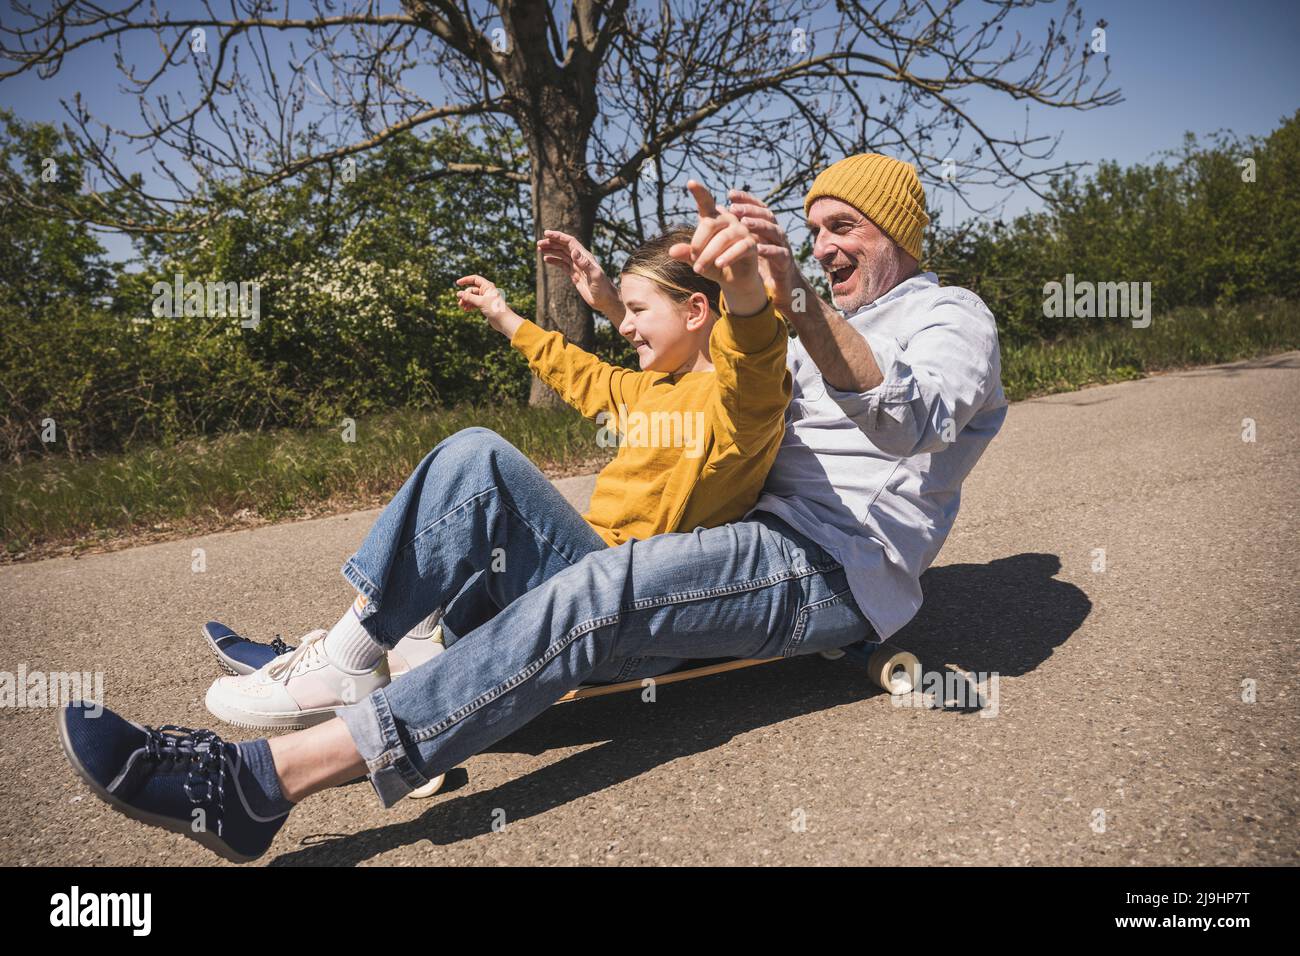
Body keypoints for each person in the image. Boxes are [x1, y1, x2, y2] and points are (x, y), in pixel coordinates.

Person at [59, 155, 1009, 863]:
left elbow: (906, 419)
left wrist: (785, 299)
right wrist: (616, 298)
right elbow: (688, 368)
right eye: (813, 229)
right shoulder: (797, 326)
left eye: (845, 226)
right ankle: (349, 658)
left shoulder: (951, 316)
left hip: (826, 568)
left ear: (903, 232)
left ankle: (255, 787)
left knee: (602, 588)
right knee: (477, 457)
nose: (824, 246)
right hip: (728, 542)